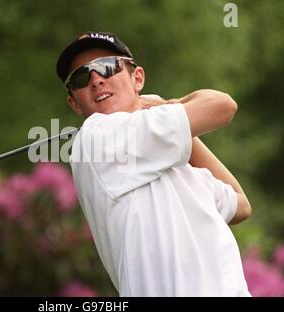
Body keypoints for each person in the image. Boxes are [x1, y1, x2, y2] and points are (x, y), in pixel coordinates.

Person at [56, 31, 252, 296]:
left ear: (137, 78)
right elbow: (222, 105)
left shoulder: (175, 167)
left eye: (107, 67)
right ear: (74, 103)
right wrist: (170, 106)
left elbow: (241, 204)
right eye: (81, 77)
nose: (95, 80)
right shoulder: (97, 135)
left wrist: (175, 124)